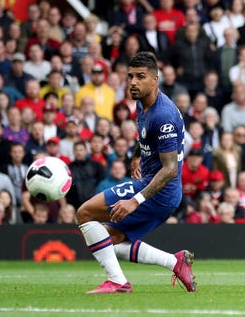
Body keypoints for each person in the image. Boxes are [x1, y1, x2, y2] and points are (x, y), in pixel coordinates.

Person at [76, 52, 196, 294]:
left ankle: (118, 282)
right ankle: (175, 262)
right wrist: (135, 156)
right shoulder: (144, 104)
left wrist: (135, 200)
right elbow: (143, 135)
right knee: (108, 239)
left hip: (159, 190)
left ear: (155, 80)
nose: (133, 82)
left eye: (140, 77)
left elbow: (171, 169)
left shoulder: (164, 115)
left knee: (85, 213)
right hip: (155, 187)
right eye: (129, 76)